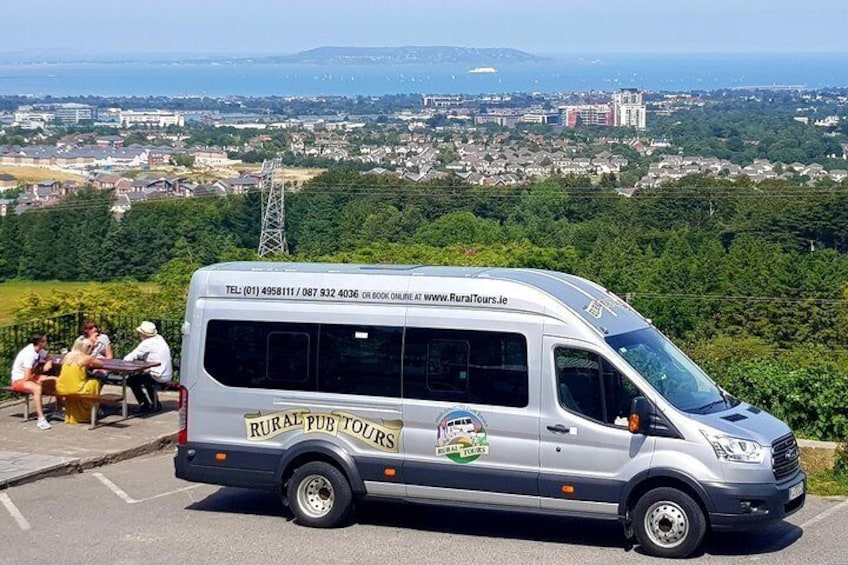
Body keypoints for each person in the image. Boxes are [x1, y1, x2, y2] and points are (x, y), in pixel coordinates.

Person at [10, 332, 58, 430]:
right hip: (19, 379)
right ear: (40, 342)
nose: (47, 342)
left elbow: (49, 357)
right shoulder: (29, 354)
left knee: (56, 380)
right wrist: (39, 382)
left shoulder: (39, 350)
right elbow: (27, 377)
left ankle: (59, 410)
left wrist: (48, 362)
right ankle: (41, 419)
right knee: (37, 388)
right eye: (45, 340)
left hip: (31, 376)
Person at [124, 321, 172, 413]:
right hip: (166, 373)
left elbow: (131, 356)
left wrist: (122, 364)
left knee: (131, 381)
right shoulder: (159, 338)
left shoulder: (147, 343)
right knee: (145, 377)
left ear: (143, 334)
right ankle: (155, 403)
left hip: (157, 375)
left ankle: (144, 404)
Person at [56, 336, 105, 424]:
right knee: (97, 380)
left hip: (62, 387)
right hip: (76, 389)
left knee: (83, 380)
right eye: (89, 347)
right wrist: (92, 356)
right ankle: (91, 410)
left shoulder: (67, 356)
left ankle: (77, 412)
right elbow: (101, 364)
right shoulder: (86, 358)